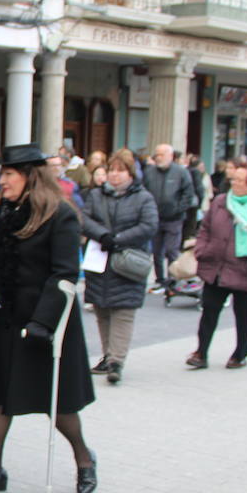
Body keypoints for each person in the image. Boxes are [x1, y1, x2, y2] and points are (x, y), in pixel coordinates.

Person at [0, 144, 97, 493]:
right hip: (6, 318)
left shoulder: (61, 215)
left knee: (58, 403)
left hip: (46, 323)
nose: (1, 181)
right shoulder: (5, 211)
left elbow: (65, 274)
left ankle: (84, 459)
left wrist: (42, 323)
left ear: (29, 176)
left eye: (8, 174)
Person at [187, 161, 247, 370]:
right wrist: (202, 250)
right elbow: (205, 229)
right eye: (233, 178)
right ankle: (201, 353)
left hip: (245, 270)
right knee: (209, 311)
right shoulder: (221, 201)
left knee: (243, 314)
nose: (234, 182)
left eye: (239, 179)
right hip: (217, 267)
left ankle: (240, 354)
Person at [79, 149, 159, 385]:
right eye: (112, 170)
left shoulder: (143, 197)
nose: (114, 175)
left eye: (120, 170)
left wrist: (119, 238)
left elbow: (149, 225)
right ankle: (107, 355)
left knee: (123, 312)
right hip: (100, 260)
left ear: (131, 173)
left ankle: (116, 360)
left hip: (127, 262)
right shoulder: (96, 195)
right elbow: (84, 219)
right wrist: (103, 235)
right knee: (102, 310)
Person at [143, 144, 196, 294]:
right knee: (157, 251)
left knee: (172, 250)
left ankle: (173, 279)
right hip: (154, 218)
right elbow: (143, 191)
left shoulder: (181, 172)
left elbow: (188, 193)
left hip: (174, 218)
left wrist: (179, 209)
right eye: (156, 154)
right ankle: (160, 280)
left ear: (170, 156)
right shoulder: (150, 172)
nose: (158, 157)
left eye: (161, 154)